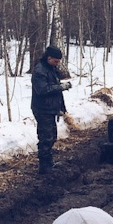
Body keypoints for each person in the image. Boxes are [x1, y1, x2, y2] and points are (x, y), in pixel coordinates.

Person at [31, 45, 72, 174]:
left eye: (59, 61)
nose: (58, 63)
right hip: (42, 109)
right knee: (45, 137)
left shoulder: (51, 68)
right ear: (49, 58)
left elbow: (55, 90)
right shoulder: (40, 71)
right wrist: (61, 87)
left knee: (52, 136)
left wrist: (61, 108)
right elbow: (43, 89)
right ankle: (44, 166)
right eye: (56, 61)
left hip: (50, 108)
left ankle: (49, 162)